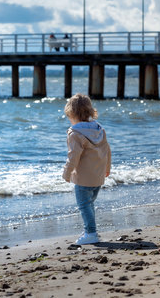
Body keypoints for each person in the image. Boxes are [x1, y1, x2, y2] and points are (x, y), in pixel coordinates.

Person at [63, 94, 111, 245]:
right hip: (98, 175)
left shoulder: (75, 133)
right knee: (89, 204)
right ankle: (89, 230)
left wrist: (66, 173)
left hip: (83, 178)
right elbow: (107, 151)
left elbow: (73, 156)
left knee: (84, 205)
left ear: (72, 114)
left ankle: (91, 233)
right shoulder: (99, 129)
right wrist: (107, 168)